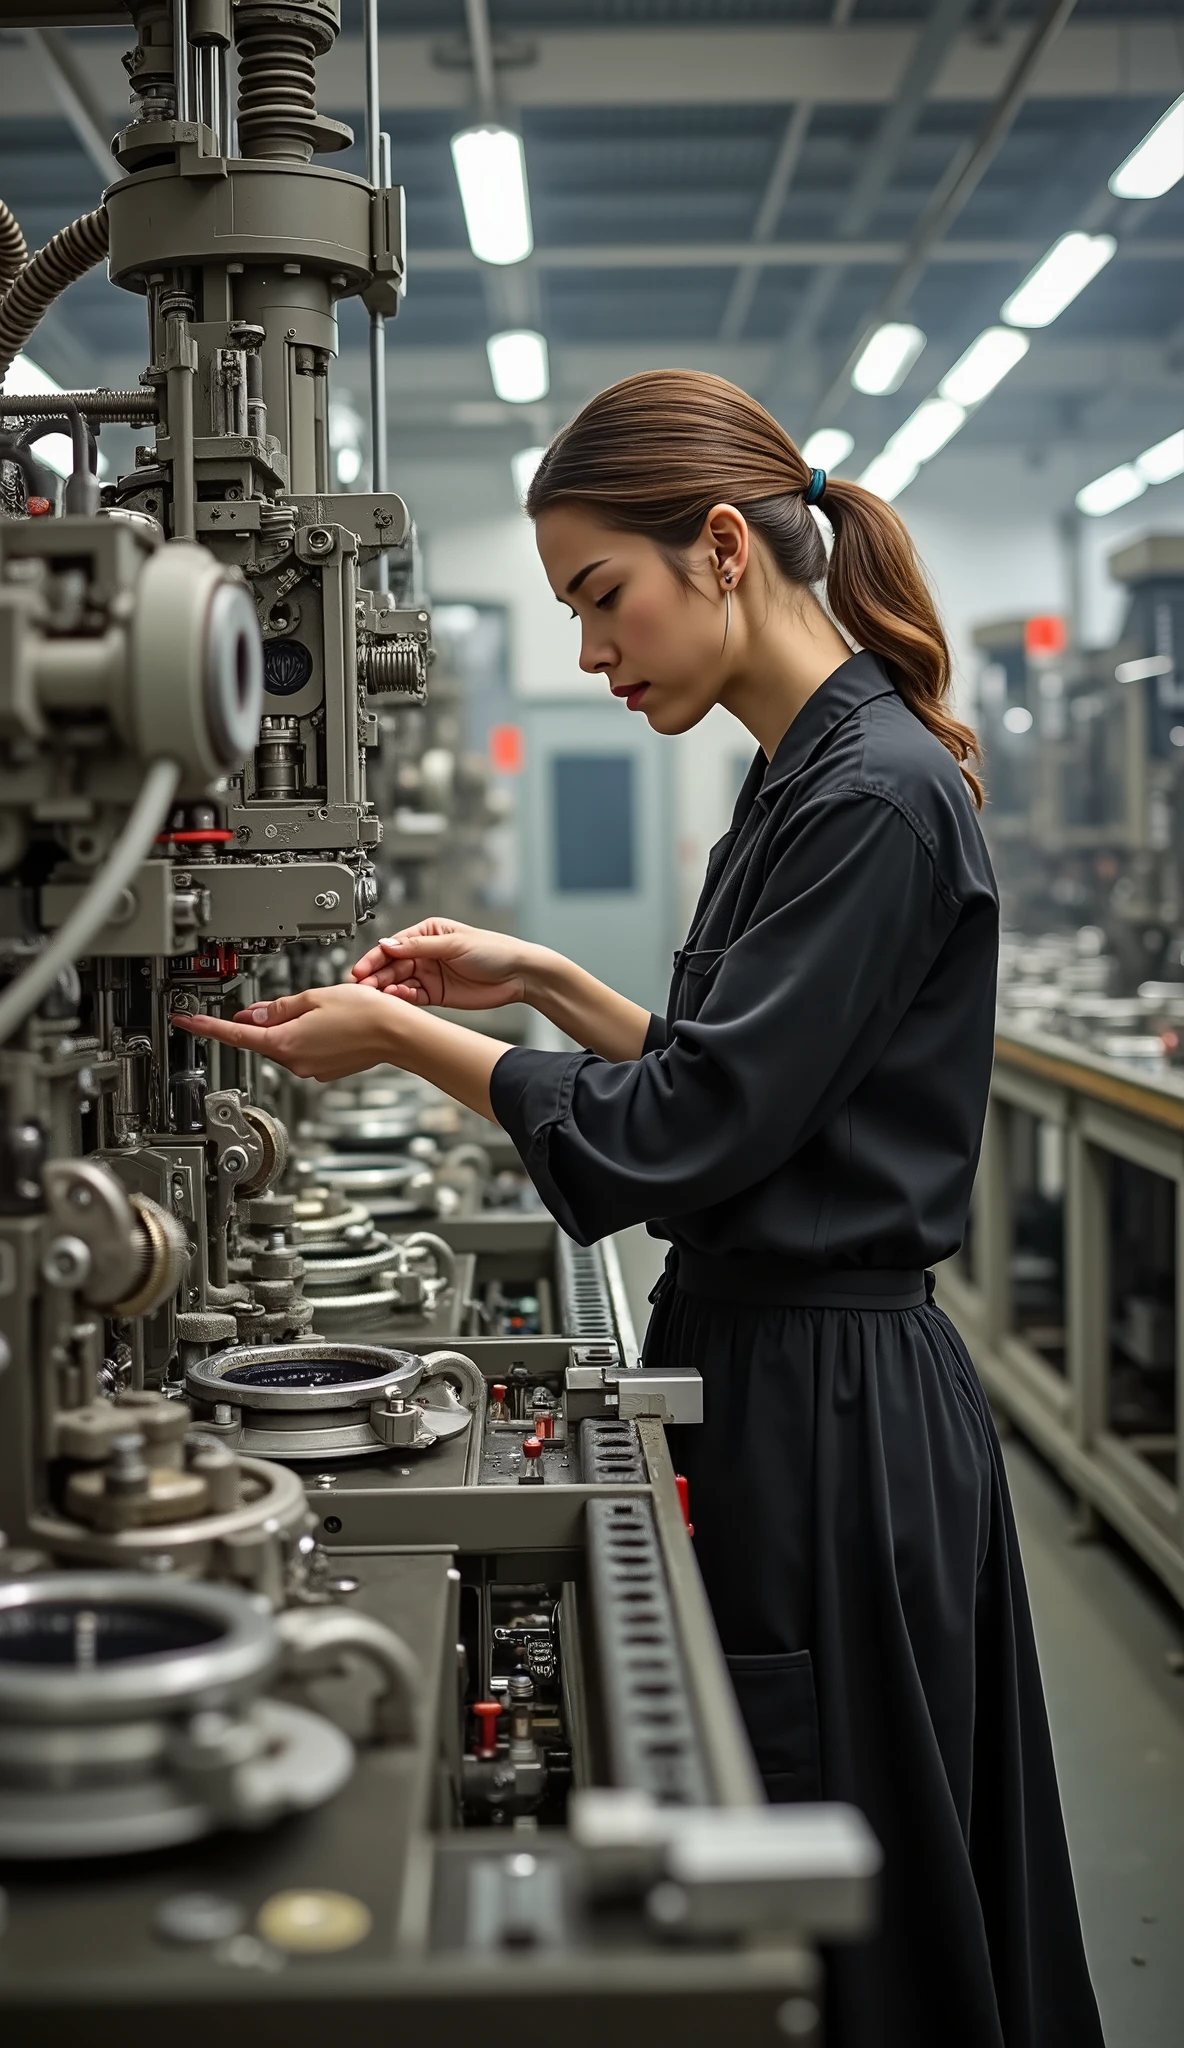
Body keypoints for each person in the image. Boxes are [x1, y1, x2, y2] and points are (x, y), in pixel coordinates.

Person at [177, 370, 1104, 2048]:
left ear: (728, 548)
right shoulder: (805, 773)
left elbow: (677, 1135)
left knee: (857, 1894)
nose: (595, 656)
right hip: (786, 1372)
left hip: (833, 1406)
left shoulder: (874, 796)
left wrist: (407, 1039)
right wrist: (537, 981)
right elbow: (747, 1079)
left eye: (606, 598)